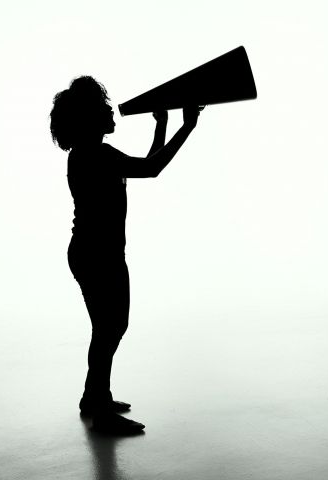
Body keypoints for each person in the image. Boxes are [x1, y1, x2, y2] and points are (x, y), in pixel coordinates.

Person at [49, 76, 200, 434]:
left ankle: (93, 397)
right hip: (98, 256)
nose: (112, 113)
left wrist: (162, 124)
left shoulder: (91, 153)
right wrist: (187, 126)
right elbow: (152, 168)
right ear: (89, 120)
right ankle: (100, 411)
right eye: (104, 109)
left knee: (108, 328)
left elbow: (146, 164)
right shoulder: (95, 155)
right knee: (109, 328)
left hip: (94, 253)